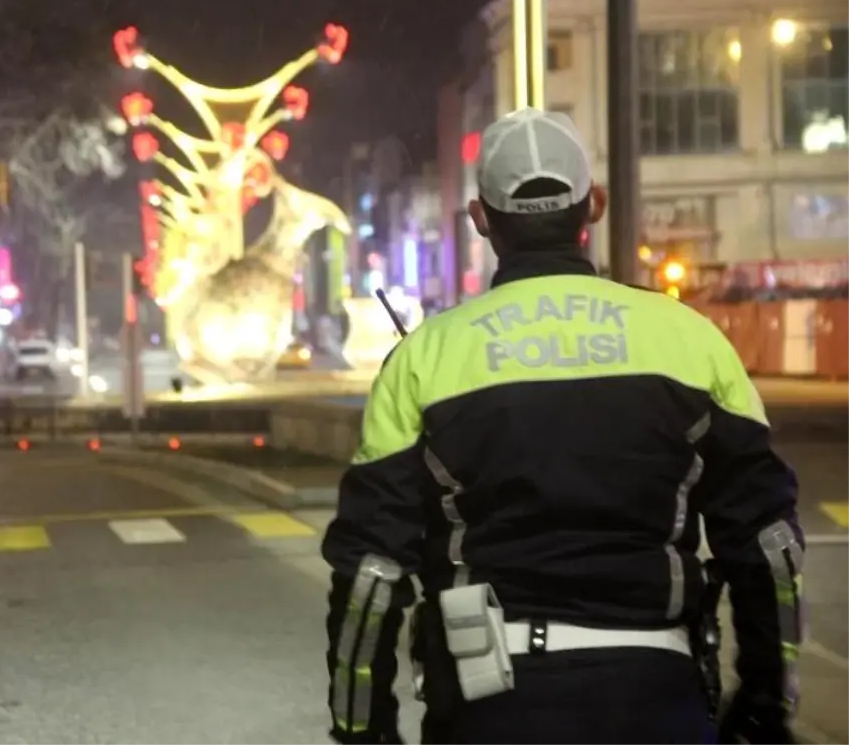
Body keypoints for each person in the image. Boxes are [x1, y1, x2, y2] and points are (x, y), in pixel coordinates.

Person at [322, 108, 804, 745]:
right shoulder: (691, 341)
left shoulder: (425, 360)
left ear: (481, 219)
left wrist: (363, 730)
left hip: (487, 708)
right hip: (657, 701)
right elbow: (769, 548)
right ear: (594, 206)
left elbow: (371, 577)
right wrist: (767, 706)